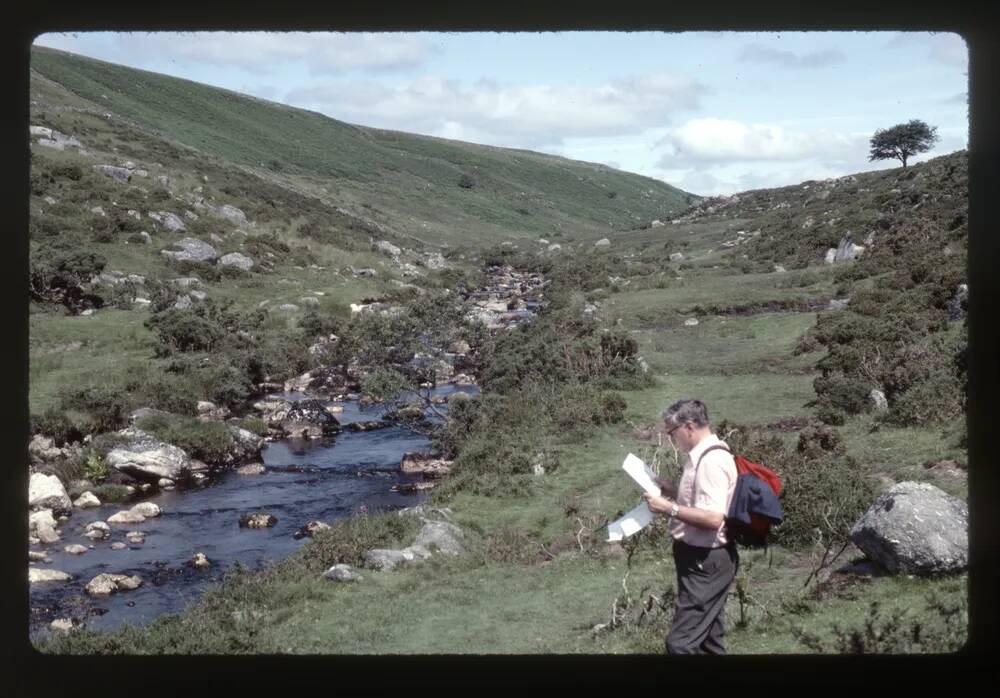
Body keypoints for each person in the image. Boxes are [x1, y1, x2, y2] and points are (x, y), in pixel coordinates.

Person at [641, 398, 739, 655]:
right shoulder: (705, 454)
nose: (672, 439)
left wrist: (668, 508)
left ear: (689, 427)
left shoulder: (710, 462)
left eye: (672, 433)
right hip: (700, 558)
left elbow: (713, 517)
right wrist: (671, 489)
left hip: (705, 560)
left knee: (680, 644)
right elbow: (702, 499)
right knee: (709, 641)